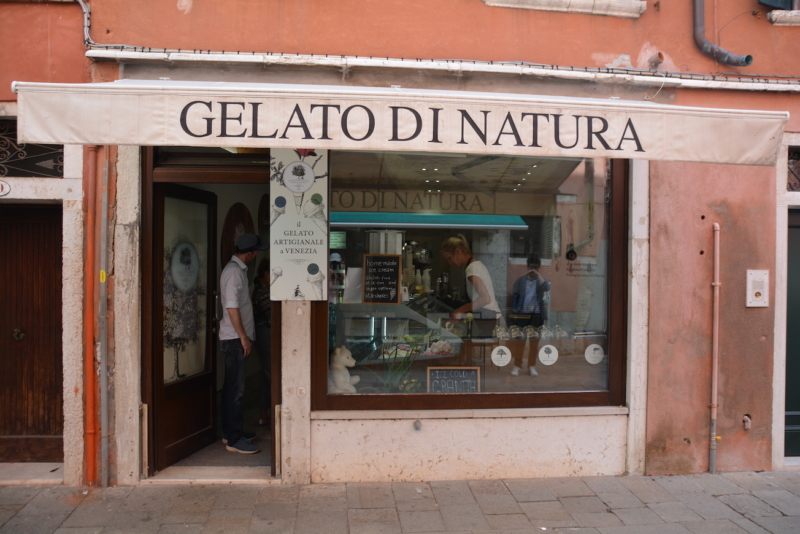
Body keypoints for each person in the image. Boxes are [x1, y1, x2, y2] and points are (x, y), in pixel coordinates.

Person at [218, 233, 268, 454]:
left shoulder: (237, 271)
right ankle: (235, 439)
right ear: (249, 253)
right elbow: (231, 307)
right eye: (256, 251)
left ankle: (231, 432)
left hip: (235, 338)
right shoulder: (234, 273)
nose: (256, 255)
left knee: (233, 389)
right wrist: (243, 337)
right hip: (234, 339)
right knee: (236, 391)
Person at [441, 235, 502, 329]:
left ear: (458, 251)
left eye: (449, 258)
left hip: (489, 319)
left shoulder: (472, 269)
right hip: (490, 318)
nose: (450, 263)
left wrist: (459, 310)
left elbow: (485, 299)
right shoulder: (476, 265)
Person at [510, 254, 551, 376]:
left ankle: (532, 366)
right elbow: (514, 296)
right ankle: (517, 366)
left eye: (536, 267)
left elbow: (547, 287)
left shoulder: (541, 281)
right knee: (520, 342)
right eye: (531, 267)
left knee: (534, 342)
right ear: (527, 267)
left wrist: (538, 275)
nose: (533, 270)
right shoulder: (521, 280)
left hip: (536, 316)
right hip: (522, 315)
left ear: (539, 268)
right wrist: (515, 313)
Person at [252, 258, 272, 427]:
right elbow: (271, 316)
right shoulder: (262, 292)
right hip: (264, 333)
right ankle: (275, 409)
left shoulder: (261, 289)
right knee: (271, 373)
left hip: (262, 333)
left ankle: (263, 413)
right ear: (266, 274)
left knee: (267, 374)